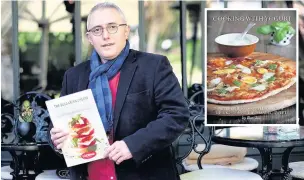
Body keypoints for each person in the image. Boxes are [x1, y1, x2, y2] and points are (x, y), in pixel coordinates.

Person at [48, 2, 189, 180]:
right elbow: (57, 124)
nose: (106, 35)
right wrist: (56, 137)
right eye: (97, 30)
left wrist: (133, 145)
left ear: (126, 31)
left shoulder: (153, 66)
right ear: (90, 38)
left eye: (112, 27)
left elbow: (177, 115)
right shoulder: (74, 76)